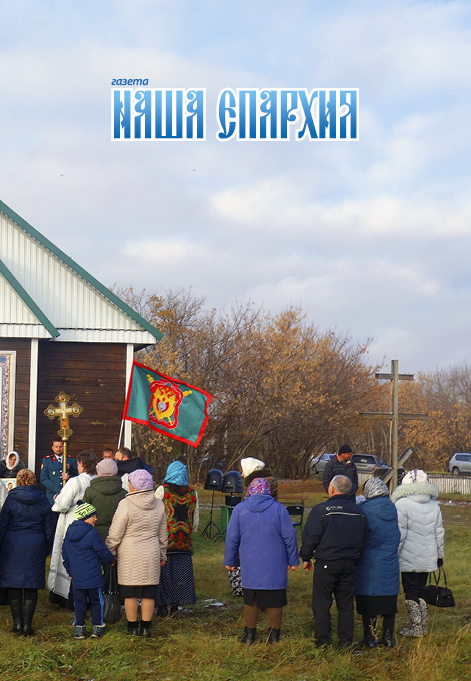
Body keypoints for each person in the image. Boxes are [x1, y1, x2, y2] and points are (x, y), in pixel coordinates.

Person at [224, 478, 299, 644]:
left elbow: (232, 537)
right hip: (275, 564)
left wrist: (230, 560)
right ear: (268, 491)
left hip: (250, 563)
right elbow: (290, 536)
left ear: (249, 491)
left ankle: (249, 637)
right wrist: (293, 560)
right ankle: (274, 638)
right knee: (275, 601)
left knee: (251, 600)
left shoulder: (240, 510)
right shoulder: (279, 509)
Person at [300, 475, 368, 648]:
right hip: (349, 563)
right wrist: (356, 560)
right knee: (346, 604)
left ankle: (323, 641)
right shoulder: (359, 512)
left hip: (326, 563)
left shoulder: (322, 510)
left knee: (322, 602)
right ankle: (346, 641)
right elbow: (364, 540)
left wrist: (306, 557)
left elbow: (311, 536)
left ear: (331, 489)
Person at [106, 469, 167, 637]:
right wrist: (163, 554)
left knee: (130, 592)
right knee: (149, 593)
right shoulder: (159, 504)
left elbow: (116, 532)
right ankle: (146, 627)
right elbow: (163, 534)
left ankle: (132, 627)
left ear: (134, 485)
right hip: (151, 552)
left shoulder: (125, 504)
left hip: (129, 554)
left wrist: (110, 551)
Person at [0, 469, 55, 635]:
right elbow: (49, 529)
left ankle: (17, 624)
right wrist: (46, 549)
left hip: (13, 544)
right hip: (35, 543)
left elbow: (3, 525)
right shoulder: (43, 500)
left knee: (14, 583)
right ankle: (27, 625)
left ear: (18, 481)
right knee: (32, 584)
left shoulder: (11, 499)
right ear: (34, 480)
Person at [391, 469, 445, 638]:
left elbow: (399, 534)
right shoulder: (434, 505)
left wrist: (394, 554)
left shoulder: (401, 504)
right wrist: (440, 555)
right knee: (422, 589)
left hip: (408, 556)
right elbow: (439, 533)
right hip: (428, 555)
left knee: (411, 590)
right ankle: (422, 625)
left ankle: (416, 627)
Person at [355, 478, 401, 648]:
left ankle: (370, 638)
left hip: (369, 562)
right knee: (389, 600)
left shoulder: (364, 510)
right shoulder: (392, 508)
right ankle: (388, 638)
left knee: (369, 600)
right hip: (390, 561)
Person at [47, 450, 97, 604]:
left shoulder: (76, 481)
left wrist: (57, 498)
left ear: (81, 464)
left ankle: (66, 596)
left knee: (69, 555)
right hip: (92, 522)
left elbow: (62, 504)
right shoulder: (97, 480)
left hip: (72, 521)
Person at [62, 501, 115, 639]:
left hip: (77, 577)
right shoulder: (92, 533)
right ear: (86, 517)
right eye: (93, 516)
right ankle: (97, 627)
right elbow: (102, 551)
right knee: (97, 602)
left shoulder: (69, 532)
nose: (96, 519)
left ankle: (79, 628)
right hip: (94, 576)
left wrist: (70, 571)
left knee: (79, 603)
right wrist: (111, 560)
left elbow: (65, 554)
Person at [154, 461, 199, 617]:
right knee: (181, 574)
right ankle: (175, 605)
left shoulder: (162, 490)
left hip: (165, 542)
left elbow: (155, 513)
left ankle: (162, 606)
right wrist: (190, 531)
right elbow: (195, 519)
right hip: (184, 542)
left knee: (164, 575)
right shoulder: (192, 493)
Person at [83, 459, 126, 542]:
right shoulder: (124, 493)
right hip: (118, 535)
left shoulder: (90, 491)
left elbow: (84, 516)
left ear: (98, 472)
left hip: (93, 535)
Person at [40, 439, 78, 505]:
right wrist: (57, 489)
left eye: (60, 447)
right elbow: (43, 479)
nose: (58, 449)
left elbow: (78, 476)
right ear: (52, 448)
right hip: (52, 496)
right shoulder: (47, 460)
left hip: (68, 495)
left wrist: (69, 477)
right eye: (56, 447)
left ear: (64, 447)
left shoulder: (71, 460)